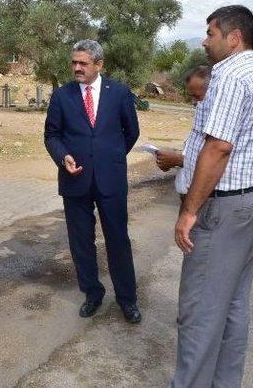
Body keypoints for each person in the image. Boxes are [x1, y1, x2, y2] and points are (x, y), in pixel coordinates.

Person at [171, 6, 253, 387]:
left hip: (225, 207)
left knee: (200, 310)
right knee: (233, 304)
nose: (205, 40)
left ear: (234, 37)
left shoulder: (229, 75)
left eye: (211, 33)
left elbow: (218, 148)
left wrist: (190, 210)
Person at [44, 39, 141, 323]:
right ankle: (92, 293)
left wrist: (109, 157)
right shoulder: (62, 96)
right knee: (81, 242)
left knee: (118, 240)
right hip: (75, 180)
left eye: (83, 63)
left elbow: (131, 131)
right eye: (74, 62)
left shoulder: (120, 93)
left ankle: (127, 299)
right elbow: (52, 135)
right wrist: (64, 158)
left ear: (99, 64)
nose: (77, 68)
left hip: (110, 180)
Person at [155, 66, 211, 188]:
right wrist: (172, 161)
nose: (193, 102)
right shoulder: (201, 116)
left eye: (196, 96)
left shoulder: (219, 123)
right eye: (191, 96)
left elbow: (217, 159)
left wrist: (179, 160)